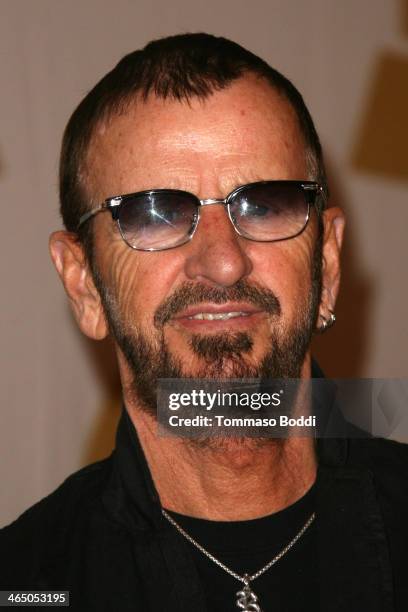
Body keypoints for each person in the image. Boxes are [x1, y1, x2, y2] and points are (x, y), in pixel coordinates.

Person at [1, 33, 407, 612]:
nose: (223, 260)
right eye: (156, 213)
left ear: (329, 264)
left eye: (264, 205)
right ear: (84, 284)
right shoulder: (26, 582)